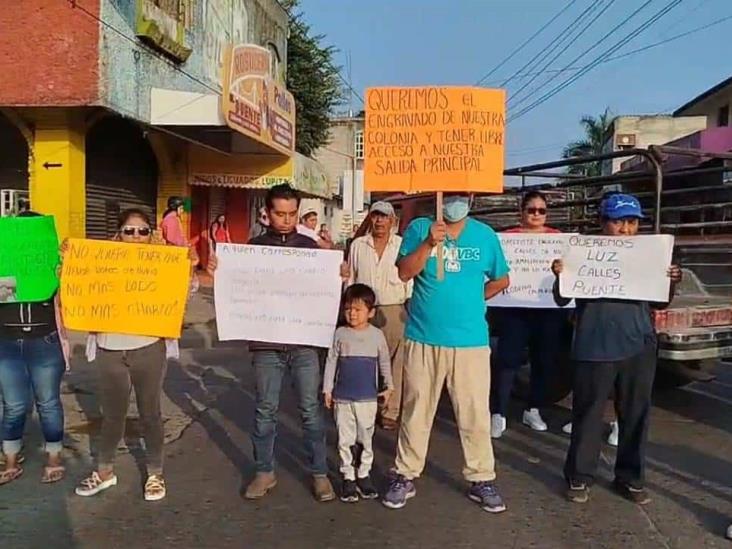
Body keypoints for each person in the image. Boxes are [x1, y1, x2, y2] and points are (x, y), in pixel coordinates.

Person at [382, 192, 510, 512]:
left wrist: (474, 301)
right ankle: (405, 474)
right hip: (424, 338)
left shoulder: (484, 235)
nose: (455, 201)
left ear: (469, 197)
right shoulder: (419, 228)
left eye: (460, 195)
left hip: (470, 343)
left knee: (474, 413)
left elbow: (501, 279)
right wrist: (428, 244)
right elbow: (403, 273)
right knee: (416, 410)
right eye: (448, 194)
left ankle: (481, 477)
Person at [209, 184, 337, 502]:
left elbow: (325, 289)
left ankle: (320, 473)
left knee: (309, 410)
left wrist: (339, 273)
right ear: (267, 213)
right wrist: (219, 272)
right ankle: (264, 471)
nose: (286, 219)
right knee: (265, 409)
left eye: (292, 213)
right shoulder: (253, 248)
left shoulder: (312, 248)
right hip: (266, 345)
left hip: (304, 343)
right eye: (280, 213)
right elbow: (237, 287)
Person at [551, 193, 682, 505]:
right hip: (593, 346)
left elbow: (661, 301)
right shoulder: (582, 253)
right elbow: (561, 299)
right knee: (588, 414)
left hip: (639, 345)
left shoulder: (649, 255)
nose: (625, 228)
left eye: (632, 222)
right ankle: (579, 476)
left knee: (636, 415)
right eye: (618, 221)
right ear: (602, 223)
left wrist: (672, 279)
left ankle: (630, 478)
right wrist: (560, 275)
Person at [74, 208, 185, 502]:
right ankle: (105, 471)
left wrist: (195, 266)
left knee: (150, 413)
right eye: (129, 230)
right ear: (118, 234)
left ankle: (155, 473)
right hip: (110, 350)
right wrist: (68, 262)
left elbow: (187, 288)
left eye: (142, 231)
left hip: (148, 349)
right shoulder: (99, 262)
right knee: (112, 415)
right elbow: (76, 289)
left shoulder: (165, 264)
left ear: (151, 235)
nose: (136, 236)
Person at [0, 211, 69, 486]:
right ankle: (10, 461)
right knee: (13, 405)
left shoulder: (54, 265)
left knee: (48, 402)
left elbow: (77, 295)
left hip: (45, 340)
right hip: (5, 342)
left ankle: (54, 458)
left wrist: (67, 266)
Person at [490, 191, 566, 438]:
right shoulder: (508, 238)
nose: (536, 214)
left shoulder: (558, 239)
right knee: (507, 361)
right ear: (521, 212)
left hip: (548, 309)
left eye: (541, 210)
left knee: (543, 361)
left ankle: (533, 408)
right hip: (514, 308)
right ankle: (498, 412)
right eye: (531, 210)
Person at [323, 284, 393, 503]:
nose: (352, 314)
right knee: (345, 439)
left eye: (358, 309)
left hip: (367, 398)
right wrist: (327, 389)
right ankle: (347, 476)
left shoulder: (377, 336)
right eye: (348, 309)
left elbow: (384, 362)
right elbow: (331, 361)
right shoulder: (340, 334)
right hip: (343, 398)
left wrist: (389, 386)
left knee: (366, 437)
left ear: (371, 312)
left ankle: (363, 474)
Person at [347, 201, 411, 430]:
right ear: (370, 218)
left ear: (392, 220)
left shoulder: (402, 245)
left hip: (394, 308)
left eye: (385, 217)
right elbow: (351, 279)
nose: (380, 221)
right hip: (364, 309)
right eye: (376, 216)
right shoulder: (357, 245)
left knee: (395, 363)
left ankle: (390, 411)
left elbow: (409, 279)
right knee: (364, 361)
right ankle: (366, 406)